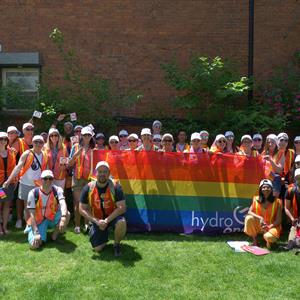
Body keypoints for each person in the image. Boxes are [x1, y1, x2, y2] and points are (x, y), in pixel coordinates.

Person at [79, 161, 126, 256]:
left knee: (122, 222)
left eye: (105, 172)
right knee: (97, 249)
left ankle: (116, 244)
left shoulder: (116, 186)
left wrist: (106, 221)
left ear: (109, 173)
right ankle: (102, 233)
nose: (102, 174)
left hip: (112, 218)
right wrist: (96, 221)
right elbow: (81, 209)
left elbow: (122, 208)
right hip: (97, 220)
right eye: (100, 171)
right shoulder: (88, 188)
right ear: (96, 173)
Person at [3, 135, 48, 229]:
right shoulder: (27, 153)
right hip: (25, 184)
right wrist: (9, 180)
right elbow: (18, 168)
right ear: (32, 143)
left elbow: (45, 170)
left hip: (38, 185)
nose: (38, 144)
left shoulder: (45, 154)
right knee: (27, 206)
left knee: (37, 206)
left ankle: (36, 224)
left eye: (40, 142)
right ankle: (28, 225)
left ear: (43, 144)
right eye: (36, 142)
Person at [26, 170, 70, 249]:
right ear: (41, 180)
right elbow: (31, 215)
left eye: (50, 178)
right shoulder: (33, 193)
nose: (48, 181)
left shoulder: (57, 190)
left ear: (53, 180)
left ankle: (54, 236)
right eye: (45, 178)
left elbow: (63, 203)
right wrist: (36, 233)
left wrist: (63, 218)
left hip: (51, 217)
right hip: (38, 221)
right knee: (34, 246)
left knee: (67, 214)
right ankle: (34, 232)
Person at [69, 126, 95, 234]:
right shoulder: (75, 147)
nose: (87, 137)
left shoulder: (95, 148)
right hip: (77, 178)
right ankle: (77, 225)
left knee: (88, 203)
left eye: (89, 135)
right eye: (85, 135)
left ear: (91, 136)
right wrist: (76, 155)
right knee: (77, 203)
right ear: (81, 136)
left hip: (90, 179)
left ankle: (87, 224)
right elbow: (69, 163)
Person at [244, 179, 282, 249]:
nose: (266, 189)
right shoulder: (256, 199)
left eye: (268, 187)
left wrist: (269, 226)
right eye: (263, 187)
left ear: (271, 189)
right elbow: (249, 212)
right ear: (260, 189)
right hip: (259, 226)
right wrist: (260, 218)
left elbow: (279, 220)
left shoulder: (278, 201)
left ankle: (268, 240)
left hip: (272, 226)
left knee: (269, 237)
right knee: (248, 218)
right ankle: (255, 241)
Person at [0, 132, 17, 234]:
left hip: (9, 183)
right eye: (1, 139)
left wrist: (14, 180)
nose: (3, 141)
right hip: (0, 184)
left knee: (7, 204)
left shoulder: (11, 152)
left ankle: (5, 227)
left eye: (5, 139)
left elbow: (15, 167)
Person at [284, 168, 300, 250]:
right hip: (296, 220)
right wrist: (292, 219)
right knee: (291, 243)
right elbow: (286, 208)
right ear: (295, 179)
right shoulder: (290, 190)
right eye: (298, 177)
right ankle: (291, 242)